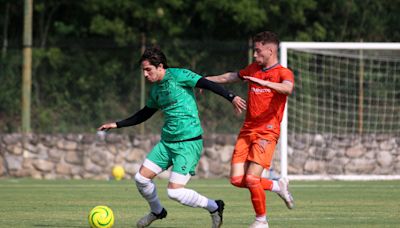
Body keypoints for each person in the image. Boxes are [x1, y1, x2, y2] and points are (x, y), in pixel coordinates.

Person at [98, 46, 246, 228]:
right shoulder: (155, 91)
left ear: (160, 66)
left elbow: (206, 84)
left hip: (188, 143)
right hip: (167, 143)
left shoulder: (179, 75)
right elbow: (144, 114)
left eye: (148, 70)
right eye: (143, 70)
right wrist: (118, 124)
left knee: (175, 193)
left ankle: (215, 206)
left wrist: (231, 97)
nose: (145, 74)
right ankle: (157, 211)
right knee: (141, 179)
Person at [206, 31, 295, 228]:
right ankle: (276, 185)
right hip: (247, 130)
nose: (255, 55)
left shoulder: (283, 72)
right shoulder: (253, 68)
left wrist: (264, 82)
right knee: (237, 179)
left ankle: (261, 221)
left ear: (270, 50)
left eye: (258, 51)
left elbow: (288, 89)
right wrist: (206, 80)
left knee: (253, 178)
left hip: (267, 131)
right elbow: (232, 76)